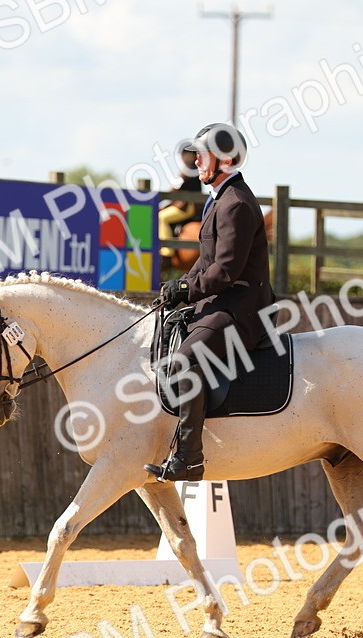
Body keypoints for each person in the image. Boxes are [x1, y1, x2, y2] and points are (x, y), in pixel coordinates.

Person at [144, 122, 275, 482]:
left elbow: (227, 269)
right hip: (222, 300)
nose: (196, 163)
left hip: (242, 307)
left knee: (187, 358)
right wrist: (181, 286)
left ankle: (190, 457)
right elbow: (205, 262)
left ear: (226, 159)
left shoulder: (236, 203)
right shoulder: (218, 200)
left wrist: (188, 290)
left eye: (202, 156)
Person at [157, 147, 204, 268]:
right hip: (192, 205)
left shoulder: (188, 170)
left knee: (161, 217)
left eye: (185, 155)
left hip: (186, 207)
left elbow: (175, 188)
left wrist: (162, 198)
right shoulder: (194, 170)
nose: (184, 158)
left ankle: (167, 253)